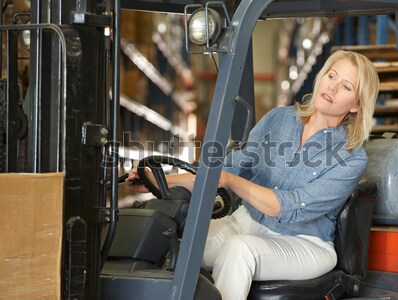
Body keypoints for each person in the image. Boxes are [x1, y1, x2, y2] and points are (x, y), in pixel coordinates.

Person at [126, 49, 380, 300]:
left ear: (357, 105)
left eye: (346, 87)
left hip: (305, 242)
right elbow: (224, 171)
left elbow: (291, 207)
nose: (333, 88)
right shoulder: (279, 120)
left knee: (240, 249)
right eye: (332, 76)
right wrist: (155, 180)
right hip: (246, 221)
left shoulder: (351, 158)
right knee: (174, 245)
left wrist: (232, 182)